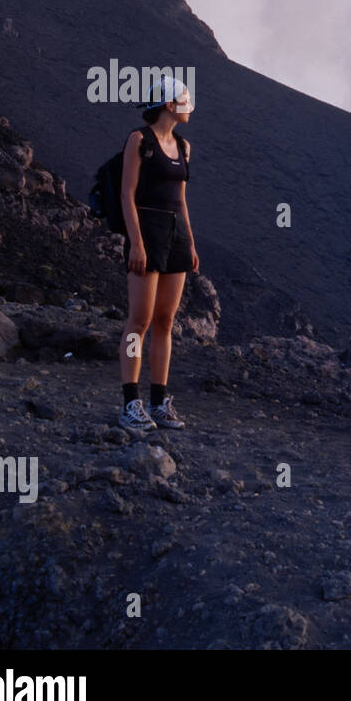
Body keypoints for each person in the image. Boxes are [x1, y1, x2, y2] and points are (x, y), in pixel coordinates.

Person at [117, 75, 199, 433]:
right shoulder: (139, 140)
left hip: (175, 235)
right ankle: (130, 402)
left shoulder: (183, 146)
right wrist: (136, 242)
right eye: (184, 99)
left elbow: (181, 200)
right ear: (169, 105)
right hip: (147, 232)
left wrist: (191, 243)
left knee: (165, 322)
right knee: (140, 319)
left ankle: (159, 401)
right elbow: (127, 195)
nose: (189, 105)